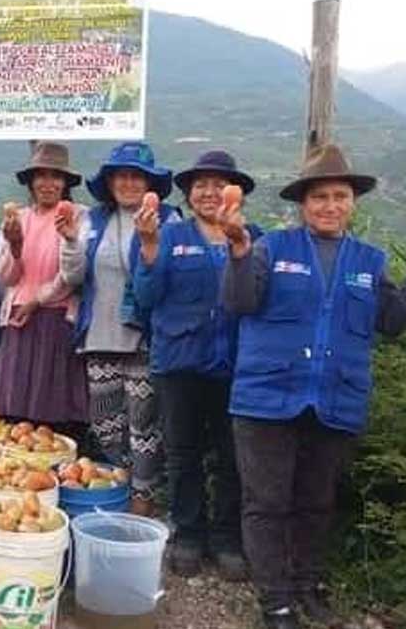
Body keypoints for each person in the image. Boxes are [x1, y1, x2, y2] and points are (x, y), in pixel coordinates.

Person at [221, 144, 406, 629]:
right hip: (266, 399)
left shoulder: (368, 259)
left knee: (317, 502)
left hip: (335, 401)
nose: (330, 205)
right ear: (302, 204)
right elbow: (239, 302)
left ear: (353, 202)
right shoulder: (271, 248)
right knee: (267, 502)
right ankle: (276, 599)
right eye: (319, 196)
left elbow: (391, 322)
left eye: (339, 195)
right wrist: (238, 251)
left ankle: (307, 583)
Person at [133, 149, 263, 580]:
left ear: (237, 193)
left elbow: (264, 300)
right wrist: (149, 250)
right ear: (188, 195)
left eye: (219, 183)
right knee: (183, 452)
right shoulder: (167, 236)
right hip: (179, 361)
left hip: (237, 365)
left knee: (231, 455)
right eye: (200, 185)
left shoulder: (255, 237)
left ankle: (226, 538)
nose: (209, 192)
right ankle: (188, 532)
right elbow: (146, 299)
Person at [60, 141, 176, 517]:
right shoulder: (92, 220)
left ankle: (142, 499)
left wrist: (149, 242)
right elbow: (73, 276)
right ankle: (126, 481)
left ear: (149, 183)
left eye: (136, 176)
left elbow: (170, 277)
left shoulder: (169, 220)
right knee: (106, 424)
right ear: (109, 183)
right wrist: (69, 241)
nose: (128, 183)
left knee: (143, 422)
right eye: (120, 176)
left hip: (143, 336)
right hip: (99, 335)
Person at [0, 141, 88, 434]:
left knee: (54, 406)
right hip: (18, 317)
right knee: (16, 407)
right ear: (31, 182)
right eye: (41, 176)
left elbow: (73, 275)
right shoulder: (18, 218)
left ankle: (58, 464)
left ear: (65, 183)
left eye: (55, 176)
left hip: (56, 317)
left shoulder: (79, 217)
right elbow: (7, 276)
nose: (48, 183)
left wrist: (39, 299)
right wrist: (15, 245)